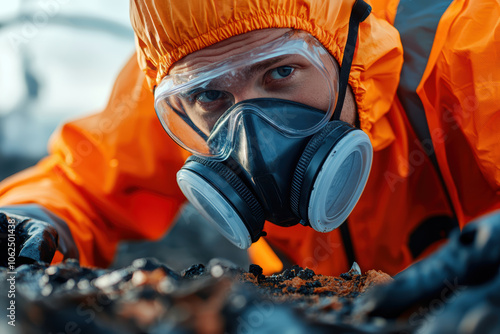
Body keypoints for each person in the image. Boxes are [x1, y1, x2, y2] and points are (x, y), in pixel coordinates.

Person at [0, 0, 499, 279]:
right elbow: (78, 183)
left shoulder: (469, 49)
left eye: (282, 71)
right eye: (215, 95)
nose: (251, 131)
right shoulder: (185, 81)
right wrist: (31, 225)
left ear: (350, 50)